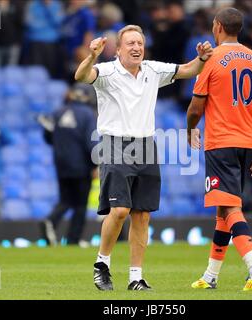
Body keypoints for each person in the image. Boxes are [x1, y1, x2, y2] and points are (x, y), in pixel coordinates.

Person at [74, 24, 213, 291]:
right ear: (118, 48)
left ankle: (136, 277)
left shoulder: (152, 70)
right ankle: (102, 264)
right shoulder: (106, 71)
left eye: (140, 43)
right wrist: (92, 56)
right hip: (115, 144)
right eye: (131, 43)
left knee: (142, 215)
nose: (137, 47)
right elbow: (81, 76)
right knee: (120, 211)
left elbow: (188, 70)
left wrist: (202, 59)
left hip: (146, 146)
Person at [186, 7, 252, 291]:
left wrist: (190, 129)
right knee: (223, 210)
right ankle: (210, 276)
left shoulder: (212, 60)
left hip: (221, 142)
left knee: (230, 207)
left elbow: (196, 107)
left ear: (218, 26)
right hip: (248, 142)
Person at [39, 83, 97, 247]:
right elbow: (90, 142)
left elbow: (49, 138)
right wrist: (96, 165)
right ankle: (73, 238)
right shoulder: (87, 114)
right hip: (81, 166)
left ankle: (51, 221)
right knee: (80, 204)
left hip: (61, 165)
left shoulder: (58, 112)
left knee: (66, 200)